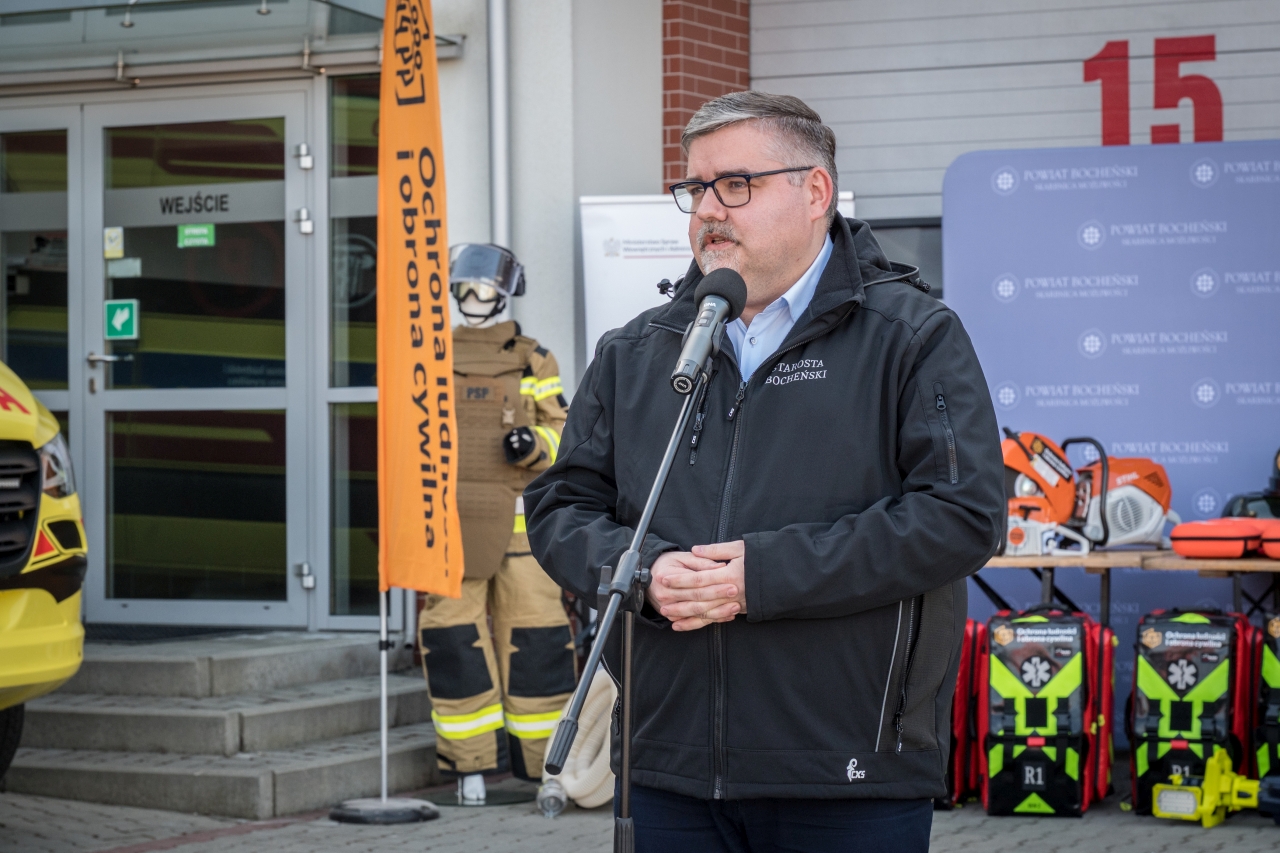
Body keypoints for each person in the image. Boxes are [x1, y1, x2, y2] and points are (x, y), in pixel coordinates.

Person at [524, 92, 1005, 850]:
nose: (708, 209)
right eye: (695, 188)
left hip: (844, 772)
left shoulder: (911, 336)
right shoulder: (638, 350)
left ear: (814, 192)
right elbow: (560, 506)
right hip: (666, 767)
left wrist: (763, 576)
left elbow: (962, 513)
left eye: (735, 185)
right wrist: (644, 570)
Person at [417, 243, 576, 803]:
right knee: (454, 640)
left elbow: (564, 435)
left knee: (536, 640)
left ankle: (548, 767)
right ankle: (469, 767)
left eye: (483, 291)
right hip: (452, 529)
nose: (473, 300)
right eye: (465, 291)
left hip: (519, 533)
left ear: (504, 295)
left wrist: (532, 442)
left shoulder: (534, 359)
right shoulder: (430, 357)